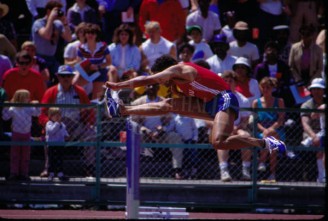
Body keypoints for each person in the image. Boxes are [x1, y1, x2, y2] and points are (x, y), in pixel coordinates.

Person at [105, 55, 287, 162]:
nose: (162, 83)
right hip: (208, 103)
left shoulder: (179, 70)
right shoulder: (177, 82)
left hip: (224, 98)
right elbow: (185, 98)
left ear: (165, 71)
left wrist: (118, 85)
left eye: (160, 78)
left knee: (218, 142)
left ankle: (266, 143)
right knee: (168, 104)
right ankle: (121, 110)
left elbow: (146, 80)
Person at [39, 65, 96, 178]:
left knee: (92, 134)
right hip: (56, 127)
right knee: (47, 136)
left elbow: (89, 111)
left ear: (72, 77)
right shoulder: (51, 92)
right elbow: (43, 113)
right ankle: (48, 168)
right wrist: (49, 125)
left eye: (68, 76)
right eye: (63, 76)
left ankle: (90, 167)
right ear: (58, 77)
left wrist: (88, 123)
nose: (66, 78)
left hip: (76, 126)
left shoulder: (80, 91)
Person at [214, 70, 252, 182]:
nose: (228, 83)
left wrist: (238, 127)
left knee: (246, 137)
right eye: (225, 81)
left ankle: (246, 171)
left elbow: (245, 120)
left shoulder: (243, 100)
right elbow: (210, 119)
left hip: (237, 129)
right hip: (220, 129)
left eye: (230, 81)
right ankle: (224, 171)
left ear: (236, 83)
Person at [2, 89, 41, 181]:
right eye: (26, 97)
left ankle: (24, 173)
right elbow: (5, 117)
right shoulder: (13, 108)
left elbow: (37, 113)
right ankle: (14, 172)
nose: (28, 99)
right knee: (15, 155)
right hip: (16, 134)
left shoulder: (29, 108)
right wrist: (6, 107)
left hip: (26, 133)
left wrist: (37, 106)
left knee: (25, 155)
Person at [252, 77, 286, 182]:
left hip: (276, 130)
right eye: (263, 87)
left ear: (272, 88)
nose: (265, 89)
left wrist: (269, 129)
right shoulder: (256, 103)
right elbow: (255, 121)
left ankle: (262, 161)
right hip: (261, 132)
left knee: (272, 136)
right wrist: (265, 130)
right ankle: (272, 173)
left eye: (268, 87)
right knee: (272, 142)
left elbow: (281, 120)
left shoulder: (279, 101)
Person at [31, 0, 72, 86]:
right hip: (39, 58)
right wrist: (51, 18)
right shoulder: (38, 23)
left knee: (62, 78)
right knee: (44, 82)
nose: (59, 13)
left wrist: (65, 23)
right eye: (56, 11)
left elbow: (69, 38)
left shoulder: (58, 24)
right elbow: (47, 35)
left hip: (52, 58)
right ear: (48, 11)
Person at [74, 23, 112, 100]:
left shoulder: (103, 46)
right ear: (85, 34)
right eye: (88, 33)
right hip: (86, 73)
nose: (90, 35)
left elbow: (109, 62)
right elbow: (78, 63)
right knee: (74, 84)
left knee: (96, 99)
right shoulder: (81, 48)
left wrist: (98, 66)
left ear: (96, 35)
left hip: (99, 72)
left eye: (93, 33)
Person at [300, 78, 325, 183]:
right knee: (320, 143)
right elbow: (305, 124)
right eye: (314, 89)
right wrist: (313, 136)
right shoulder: (306, 105)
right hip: (312, 133)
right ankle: (322, 177)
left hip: (325, 131)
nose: (316, 92)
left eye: (319, 89)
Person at [45, 107, 69, 181]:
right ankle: (51, 173)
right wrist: (57, 124)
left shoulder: (62, 124)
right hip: (52, 144)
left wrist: (66, 135)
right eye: (55, 115)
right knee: (51, 159)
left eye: (59, 115)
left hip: (60, 144)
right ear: (51, 116)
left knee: (60, 159)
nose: (58, 117)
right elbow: (51, 131)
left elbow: (64, 132)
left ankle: (60, 173)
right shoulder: (49, 124)